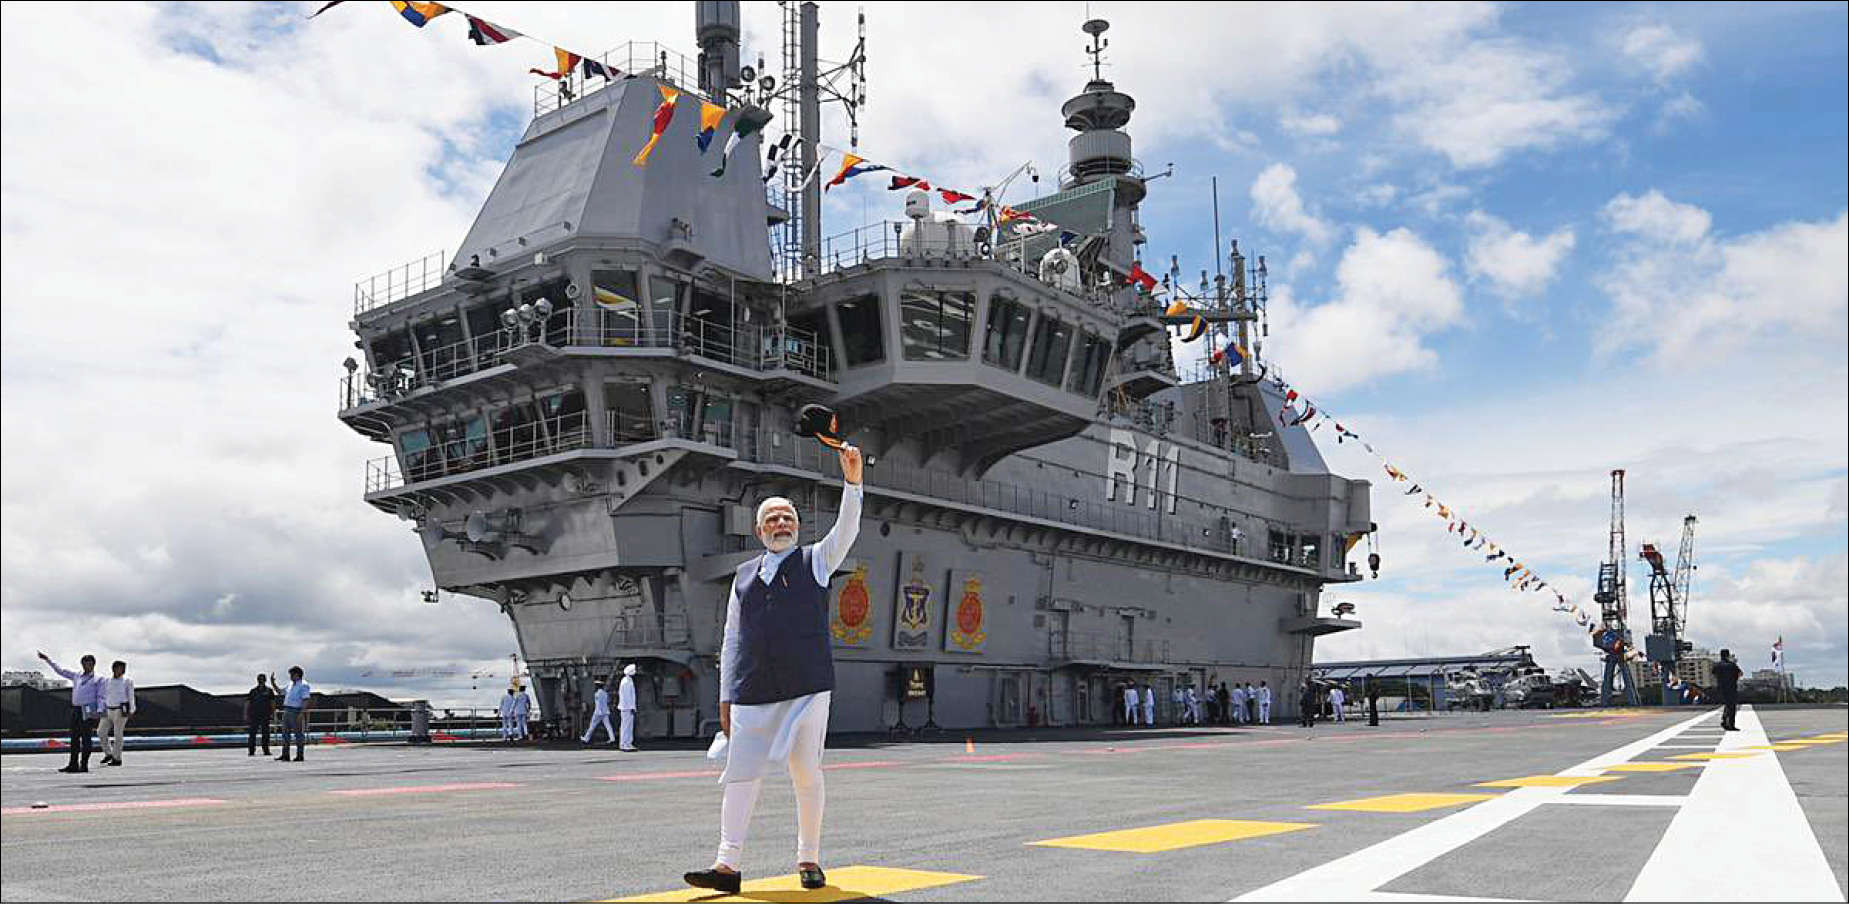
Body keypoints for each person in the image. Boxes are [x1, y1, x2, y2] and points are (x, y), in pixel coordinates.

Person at [683, 442, 862, 896]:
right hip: (751, 688)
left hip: (806, 686)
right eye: (773, 519)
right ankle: (727, 866)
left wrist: (853, 482)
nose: (782, 524)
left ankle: (809, 858)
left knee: (806, 771)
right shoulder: (742, 576)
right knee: (740, 775)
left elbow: (846, 531)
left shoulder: (815, 561)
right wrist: (724, 695)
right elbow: (731, 636)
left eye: (789, 518)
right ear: (760, 531)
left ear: (797, 528)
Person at [37, 651, 104, 773]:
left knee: (86, 738)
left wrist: (99, 711)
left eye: (88, 664)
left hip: (88, 709)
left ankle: (84, 764)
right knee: (74, 738)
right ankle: (73, 764)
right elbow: (61, 670)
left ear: (93, 665)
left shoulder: (98, 679)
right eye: (84, 664)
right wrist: (48, 660)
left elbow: (100, 696)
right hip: (76, 709)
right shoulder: (77, 675)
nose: (86, 666)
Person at [96, 660, 136, 767]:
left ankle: (117, 758)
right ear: (113, 668)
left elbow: (131, 695)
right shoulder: (107, 681)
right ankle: (109, 753)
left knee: (118, 734)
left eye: (123, 669)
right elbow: (104, 695)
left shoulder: (127, 681)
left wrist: (132, 710)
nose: (122, 671)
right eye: (120, 668)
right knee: (101, 732)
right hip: (108, 709)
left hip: (120, 710)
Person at [276, 666, 312, 762]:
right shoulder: (290, 684)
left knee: (298, 734)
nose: (290, 676)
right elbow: (280, 692)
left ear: (297, 674)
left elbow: (306, 699)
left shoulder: (303, 685)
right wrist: (273, 683)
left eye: (292, 674)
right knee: (285, 733)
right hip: (287, 710)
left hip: (296, 710)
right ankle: (285, 754)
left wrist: (301, 713)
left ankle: (300, 755)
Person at [245, 674, 276, 757]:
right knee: (252, 733)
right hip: (254, 715)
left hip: (265, 714)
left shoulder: (269, 691)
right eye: (259, 679)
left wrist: (273, 713)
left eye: (262, 679)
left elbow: (272, 702)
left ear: (265, 680)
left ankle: (266, 750)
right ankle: (251, 751)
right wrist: (246, 714)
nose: (261, 680)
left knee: (265, 733)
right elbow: (248, 703)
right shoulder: (253, 691)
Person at [1712, 649, 1743, 731]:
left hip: (1722, 688)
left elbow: (1713, 673)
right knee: (1731, 706)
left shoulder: (1718, 665)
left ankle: (1725, 720)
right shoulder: (1732, 665)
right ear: (1728, 655)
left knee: (1727, 704)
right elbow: (1740, 673)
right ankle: (1730, 724)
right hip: (1732, 687)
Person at [582, 680, 615, 745]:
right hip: (605, 712)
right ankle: (612, 738)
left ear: (597, 686)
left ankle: (586, 739)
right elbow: (607, 701)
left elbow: (598, 704)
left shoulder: (597, 694)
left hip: (598, 712)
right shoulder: (605, 693)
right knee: (608, 726)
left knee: (592, 726)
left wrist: (599, 712)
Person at [618, 664, 639, 752]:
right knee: (626, 726)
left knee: (627, 726)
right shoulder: (627, 682)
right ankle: (625, 744)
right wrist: (631, 708)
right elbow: (627, 697)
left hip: (627, 707)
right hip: (627, 707)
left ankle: (627, 743)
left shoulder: (627, 680)